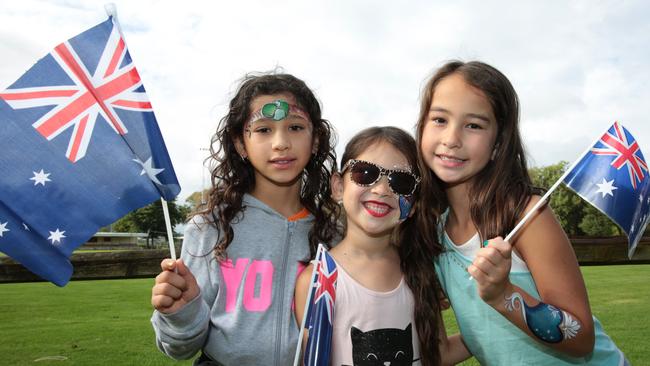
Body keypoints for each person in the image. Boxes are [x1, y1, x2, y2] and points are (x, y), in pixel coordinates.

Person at [415, 60, 628, 365]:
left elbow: (581, 338)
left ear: (498, 143)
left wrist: (503, 295)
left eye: (473, 125)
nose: (451, 139)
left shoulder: (526, 214)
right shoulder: (434, 231)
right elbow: (453, 348)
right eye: (439, 119)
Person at [150, 72, 341, 365]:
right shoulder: (210, 227)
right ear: (241, 144)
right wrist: (182, 313)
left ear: (315, 139)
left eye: (295, 127)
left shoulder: (335, 235)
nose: (280, 143)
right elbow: (179, 349)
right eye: (263, 130)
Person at [295, 126, 470, 366]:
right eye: (365, 173)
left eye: (402, 181)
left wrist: (500, 322)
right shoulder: (319, 280)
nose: (381, 190)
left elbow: (439, 354)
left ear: (414, 204)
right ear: (338, 187)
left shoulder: (418, 270)